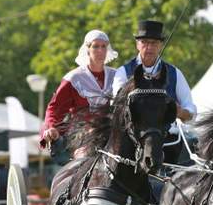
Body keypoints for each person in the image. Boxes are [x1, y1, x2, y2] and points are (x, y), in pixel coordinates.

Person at [113, 20, 197, 164]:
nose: (149, 47)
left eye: (154, 43)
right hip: (132, 143)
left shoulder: (174, 73)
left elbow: (191, 111)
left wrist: (180, 112)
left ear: (160, 45)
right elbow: (117, 107)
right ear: (137, 44)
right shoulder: (123, 72)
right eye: (145, 42)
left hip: (169, 142)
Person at [40, 29, 118, 164]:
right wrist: (51, 127)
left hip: (113, 132)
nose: (100, 50)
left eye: (103, 46)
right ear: (87, 49)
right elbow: (55, 108)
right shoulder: (74, 78)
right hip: (84, 134)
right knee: (84, 160)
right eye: (95, 46)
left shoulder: (117, 76)